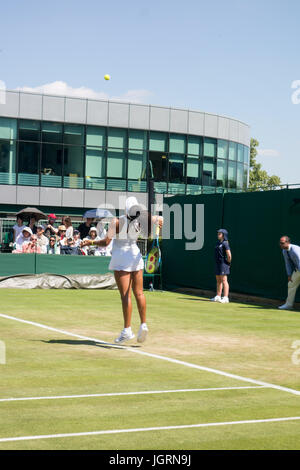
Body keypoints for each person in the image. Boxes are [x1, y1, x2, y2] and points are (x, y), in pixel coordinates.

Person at [81, 197, 163, 344]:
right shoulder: (141, 219)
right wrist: (159, 219)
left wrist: (91, 241)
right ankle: (143, 324)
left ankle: (127, 330)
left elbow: (106, 243)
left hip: (121, 258)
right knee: (139, 293)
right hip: (135, 256)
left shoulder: (116, 222)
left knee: (126, 296)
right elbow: (156, 217)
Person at [278, 236, 300, 310]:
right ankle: (288, 305)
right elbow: (287, 263)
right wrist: (289, 274)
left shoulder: (295, 249)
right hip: (298, 270)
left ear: (288, 243)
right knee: (291, 285)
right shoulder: (284, 251)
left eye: (282, 243)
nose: (280, 245)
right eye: (280, 243)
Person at [211, 228, 232, 304]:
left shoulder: (225, 243)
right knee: (218, 281)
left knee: (224, 280)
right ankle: (218, 296)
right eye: (218, 233)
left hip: (223, 264)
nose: (218, 235)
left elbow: (229, 255)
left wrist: (228, 264)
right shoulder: (217, 243)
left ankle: (226, 297)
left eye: (220, 234)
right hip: (217, 263)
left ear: (223, 235)